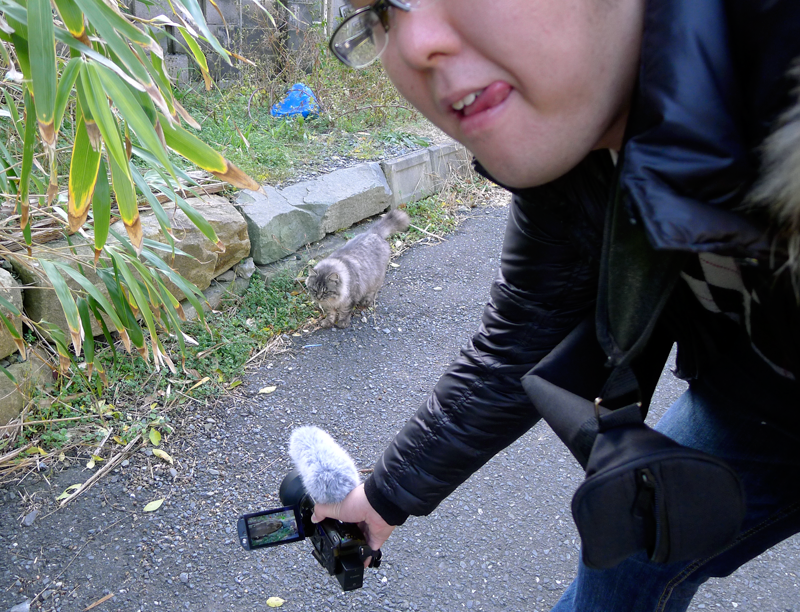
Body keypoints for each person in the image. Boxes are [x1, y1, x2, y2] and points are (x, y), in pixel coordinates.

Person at [312, 1, 800, 610]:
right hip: (760, 392)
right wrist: (382, 498)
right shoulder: (574, 141)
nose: (413, 46)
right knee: (631, 546)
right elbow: (527, 333)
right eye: (380, 12)